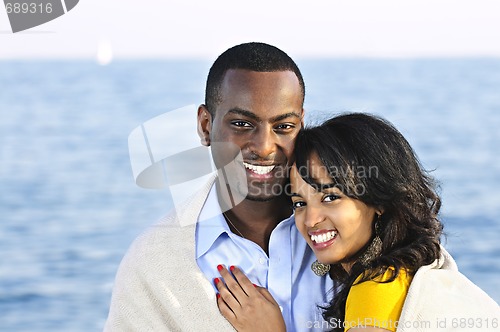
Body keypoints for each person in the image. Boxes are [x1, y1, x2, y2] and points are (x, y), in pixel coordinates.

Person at [104, 42, 333, 331]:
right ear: (205, 126)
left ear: (301, 124)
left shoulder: (348, 235)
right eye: (241, 124)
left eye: (283, 127)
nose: (264, 147)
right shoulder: (152, 264)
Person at [215, 113, 500, 331]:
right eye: (300, 203)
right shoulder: (404, 271)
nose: (311, 220)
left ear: (378, 200)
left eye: (330, 198)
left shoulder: (375, 290)